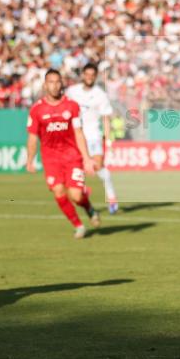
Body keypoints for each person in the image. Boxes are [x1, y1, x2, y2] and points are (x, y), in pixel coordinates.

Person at [26, 69, 100, 239]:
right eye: (51, 82)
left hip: (72, 155)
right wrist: (30, 159)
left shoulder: (71, 106)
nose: (55, 85)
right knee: (58, 191)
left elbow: (79, 133)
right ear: (45, 85)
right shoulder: (37, 109)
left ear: (62, 84)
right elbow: (32, 137)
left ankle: (88, 207)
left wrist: (87, 158)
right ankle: (78, 225)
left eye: (58, 81)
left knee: (76, 195)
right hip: (51, 158)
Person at [66, 63, 119, 214]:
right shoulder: (72, 91)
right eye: (87, 74)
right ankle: (82, 191)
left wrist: (108, 140)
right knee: (76, 169)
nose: (89, 77)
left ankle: (111, 197)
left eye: (92, 75)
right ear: (83, 75)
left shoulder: (100, 94)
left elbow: (106, 119)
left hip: (94, 136)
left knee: (98, 167)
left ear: (95, 77)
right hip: (76, 136)